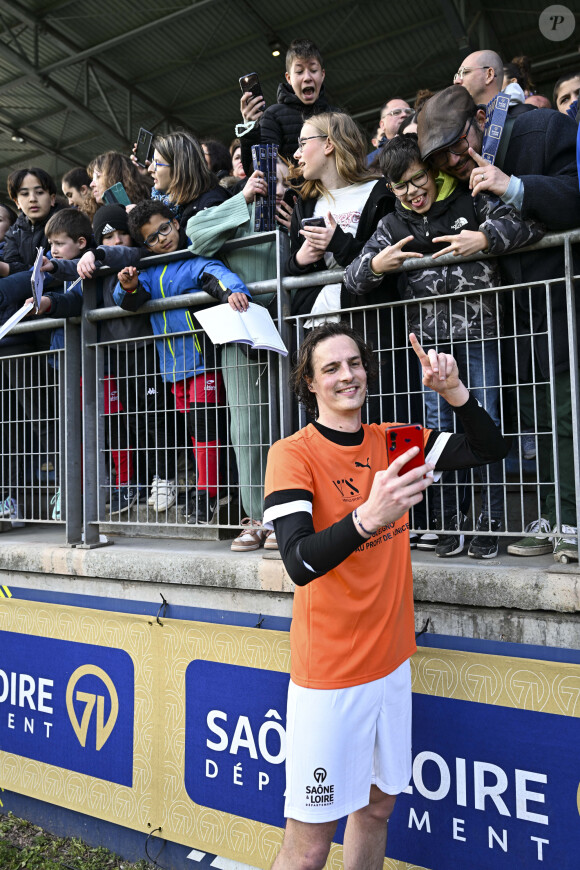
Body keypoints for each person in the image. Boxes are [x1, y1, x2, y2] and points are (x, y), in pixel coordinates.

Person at [263, 322, 509, 869]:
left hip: (391, 664)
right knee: (308, 850)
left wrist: (455, 394)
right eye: (330, 368)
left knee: (377, 811)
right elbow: (299, 562)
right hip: (330, 674)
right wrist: (367, 517)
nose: (346, 376)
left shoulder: (396, 441)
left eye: (354, 363)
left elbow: (490, 448)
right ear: (308, 383)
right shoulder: (292, 454)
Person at [344, 133, 543, 558]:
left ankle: (488, 524)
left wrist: (484, 239)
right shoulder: (391, 223)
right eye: (400, 186)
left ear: (431, 171)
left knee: (484, 420)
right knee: (439, 437)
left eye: (417, 180)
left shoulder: (470, 197)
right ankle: (450, 523)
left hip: (482, 335)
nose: (411, 193)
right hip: (429, 345)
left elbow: (527, 223)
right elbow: (352, 278)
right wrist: (377, 264)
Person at [417, 84, 580, 562]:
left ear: (482, 120)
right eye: (439, 158)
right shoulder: (459, 174)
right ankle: (554, 519)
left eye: (454, 147)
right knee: (541, 423)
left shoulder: (543, 127)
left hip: (565, 300)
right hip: (518, 317)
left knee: (568, 417)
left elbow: (575, 196)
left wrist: (512, 186)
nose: (451, 162)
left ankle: (573, 521)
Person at [114, 199, 251, 525]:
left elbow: (218, 274)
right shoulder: (149, 272)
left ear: (176, 223)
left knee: (208, 431)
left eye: (164, 228)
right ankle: (208, 491)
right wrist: (127, 286)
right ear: (144, 244)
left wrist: (233, 290)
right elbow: (129, 301)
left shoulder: (194, 259)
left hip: (203, 363)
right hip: (172, 371)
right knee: (195, 433)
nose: (162, 238)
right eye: (152, 238)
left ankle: (211, 494)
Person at [237, 38, 334, 177]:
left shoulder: (336, 116)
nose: (307, 77)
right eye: (299, 72)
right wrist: (249, 129)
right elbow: (257, 171)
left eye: (313, 70)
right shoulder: (273, 115)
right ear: (288, 78)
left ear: (322, 74)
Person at [148, 131, 231, 226]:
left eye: (157, 163)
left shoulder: (210, 206)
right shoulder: (174, 205)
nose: (150, 169)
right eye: (152, 162)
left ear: (179, 168)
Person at [454, 49, 532, 118]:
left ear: (489, 75)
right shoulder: (467, 124)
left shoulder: (526, 114)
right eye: (456, 75)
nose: (456, 81)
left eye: (465, 72)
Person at [366, 98, 413, 164]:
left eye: (409, 112)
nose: (404, 115)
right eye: (396, 112)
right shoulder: (370, 162)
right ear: (382, 125)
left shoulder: (426, 145)